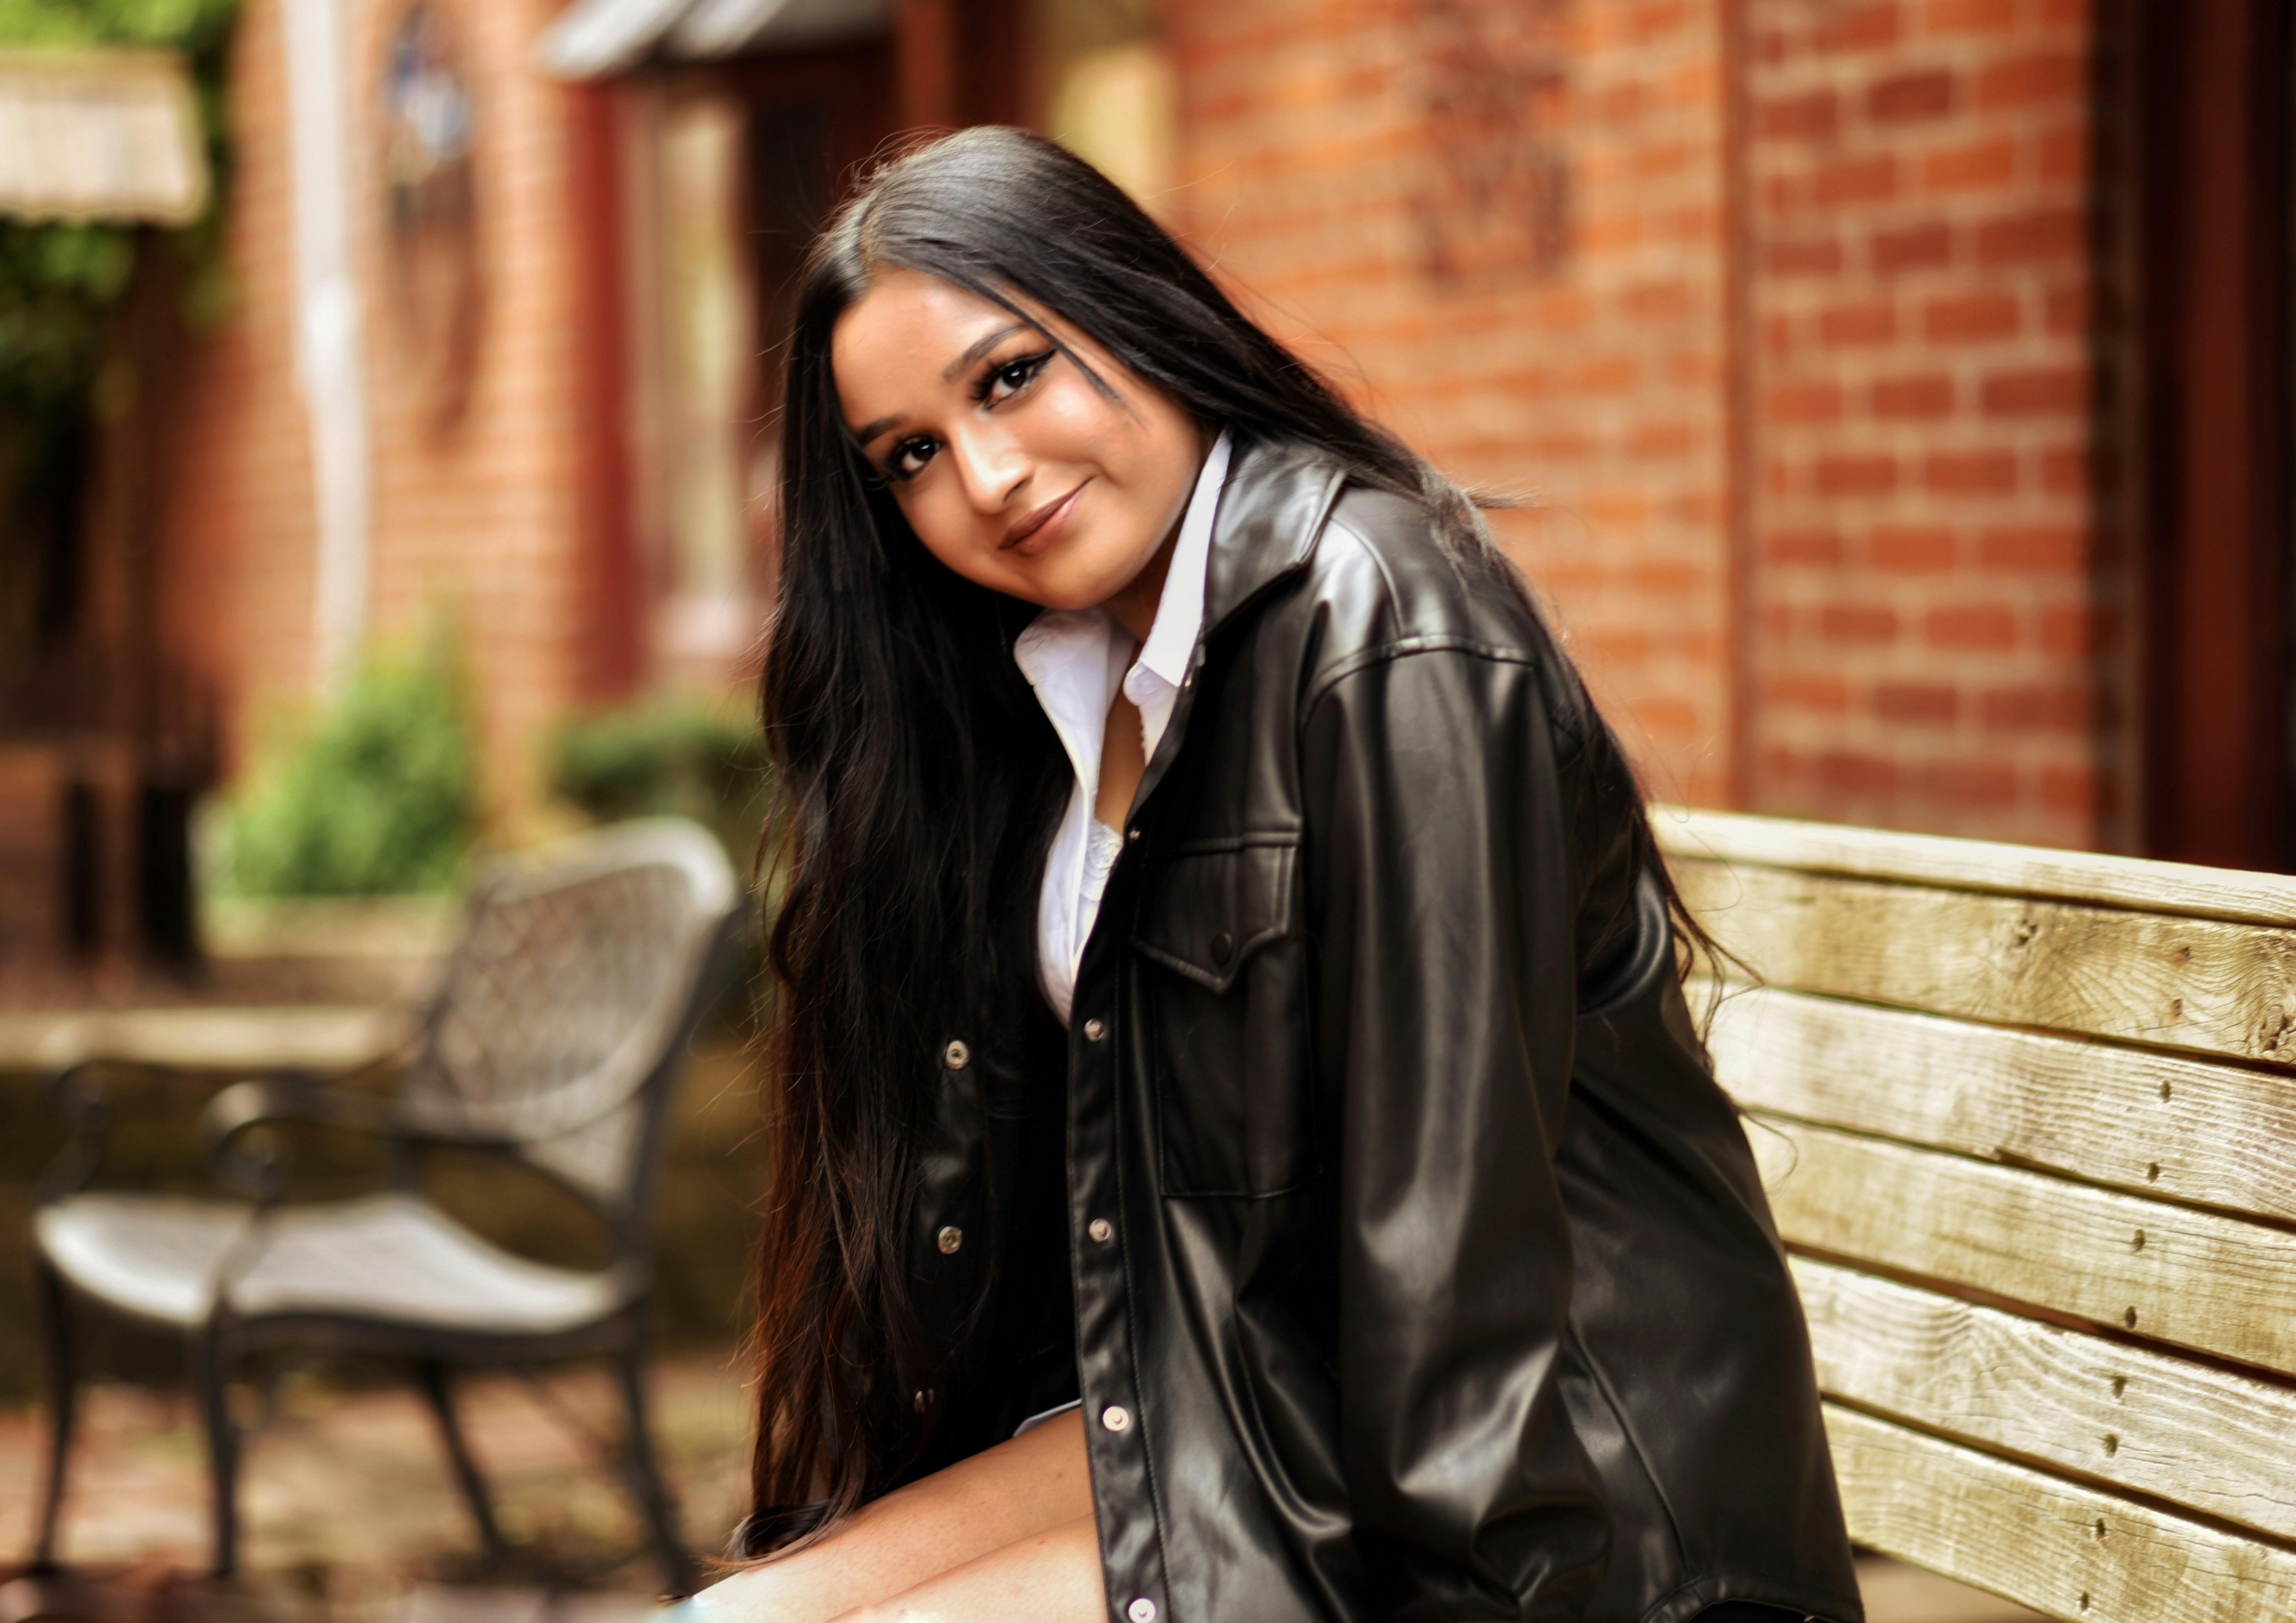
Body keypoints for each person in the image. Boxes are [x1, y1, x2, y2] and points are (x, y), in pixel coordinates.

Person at [686, 127, 1862, 1623]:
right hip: (1245, 1430)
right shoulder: (1059, 687)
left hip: (1564, 1529)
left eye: (1010, 376)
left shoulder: (1383, 634)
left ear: (1126, 307)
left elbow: (1459, 1284)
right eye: (910, 455)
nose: (984, 475)